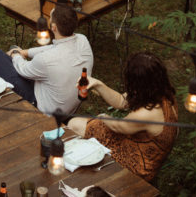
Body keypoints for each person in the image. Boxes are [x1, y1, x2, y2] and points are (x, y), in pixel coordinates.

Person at [66, 52, 178, 182]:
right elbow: (121, 101)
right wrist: (97, 84)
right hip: (135, 140)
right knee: (74, 123)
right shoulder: (161, 92)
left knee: (75, 126)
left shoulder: (147, 113)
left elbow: (119, 127)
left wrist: (103, 117)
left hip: (137, 165)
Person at [0, 4, 93, 115]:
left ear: (54, 27)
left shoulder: (45, 60)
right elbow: (54, 47)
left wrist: (15, 53)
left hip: (44, 110)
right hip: (68, 107)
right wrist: (24, 52)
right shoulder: (82, 40)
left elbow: (22, 69)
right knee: (4, 67)